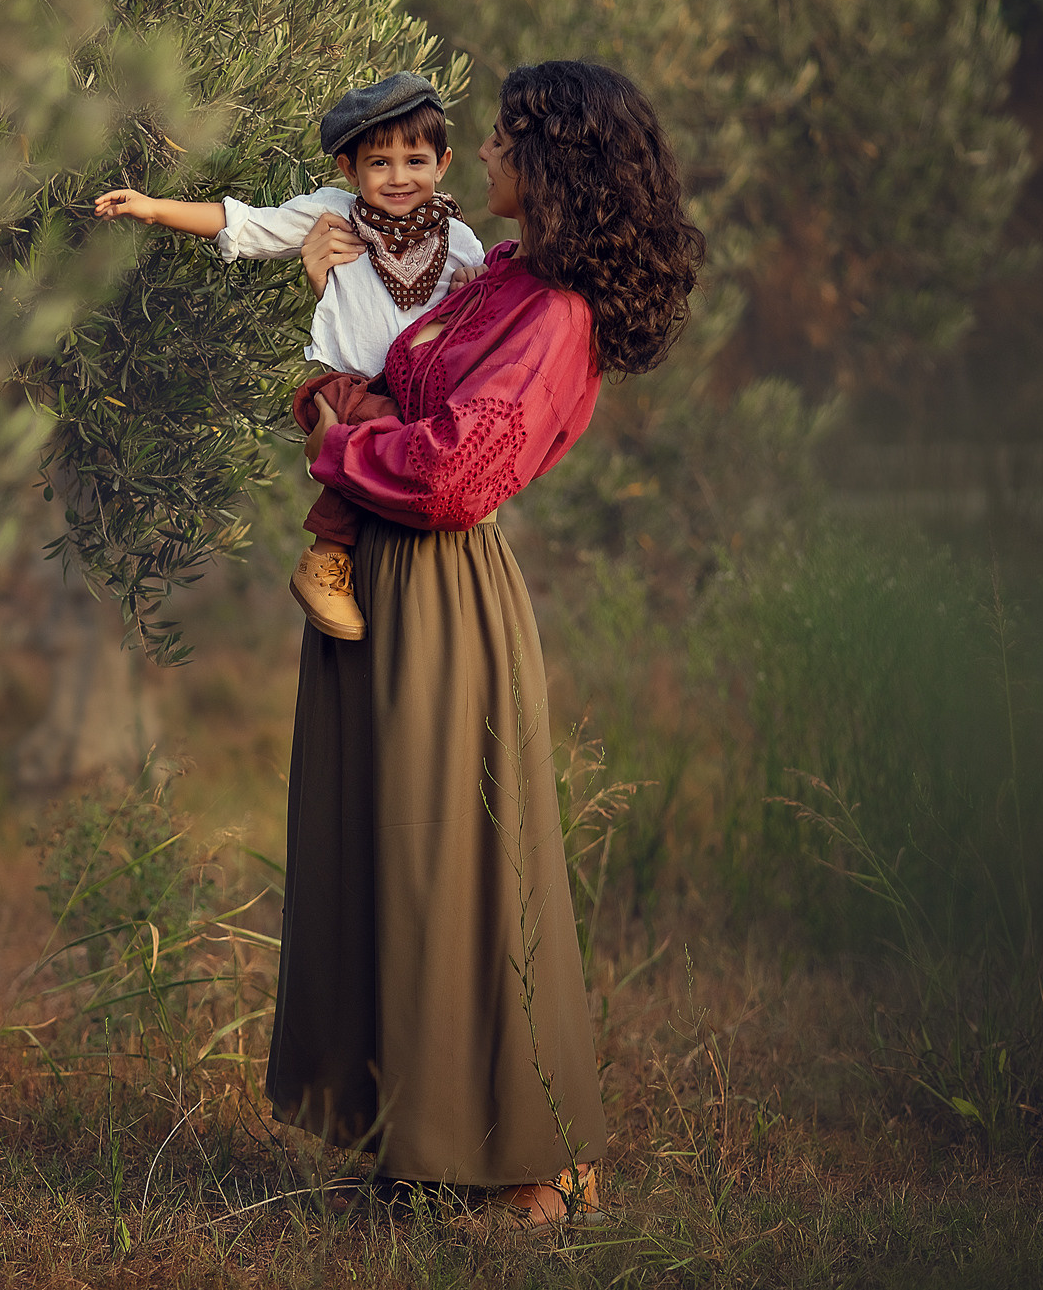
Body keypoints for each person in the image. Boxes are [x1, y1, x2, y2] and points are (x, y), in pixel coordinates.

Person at [272, 60, 703, 1226]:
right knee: (383, 856)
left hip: (438, 591)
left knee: (457, 864)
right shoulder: (503, 275)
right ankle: (416, 1135)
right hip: (377, 574)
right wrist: (340, 378)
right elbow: (401, 385)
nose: (489, 152)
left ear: (552, 161)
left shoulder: (555, 316)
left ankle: (535, 1159)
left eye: (507, 136)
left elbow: (456, 473)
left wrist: (335, 443)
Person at [94, 72, 487, 643]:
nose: (399, 177)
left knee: (421, 449)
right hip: (357, 385)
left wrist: (472, 293)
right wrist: (154, 209)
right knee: (370, 432)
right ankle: (326, 557)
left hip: (423, 391)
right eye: (379, 163)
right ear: (350, 169)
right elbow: (247, 225)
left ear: (443, 164)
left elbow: (479, 320)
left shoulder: (459, 241)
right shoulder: (334, 215)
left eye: (415, 161)